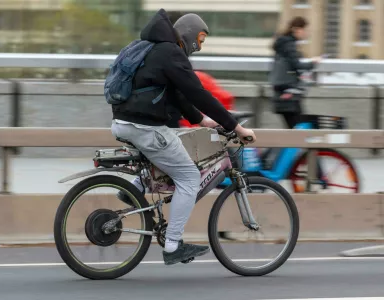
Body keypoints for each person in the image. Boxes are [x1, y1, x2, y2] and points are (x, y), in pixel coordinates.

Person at [110, 8, 256, 266]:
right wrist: (236, 127)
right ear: (189, 34)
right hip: (144, 127)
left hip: (124, 122)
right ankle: (173, 245)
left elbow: (177, 95)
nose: (199, 47)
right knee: (189, 177)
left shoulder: (151, 48)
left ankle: (134, 188)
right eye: (200, 40)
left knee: (176, 148)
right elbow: (198, 93)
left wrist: (202, 121)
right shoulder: (171, 53)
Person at [269, 16, 321, 128]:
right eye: (305, 30)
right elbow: (297, 65)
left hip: (283, 93)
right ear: (297, 29)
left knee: (294, 129)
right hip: (288, 94)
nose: (306, 33)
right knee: (298, 129)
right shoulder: (289, 44)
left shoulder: (283, 43)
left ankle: (291, 144)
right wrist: (314, 62)